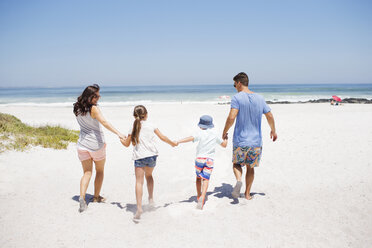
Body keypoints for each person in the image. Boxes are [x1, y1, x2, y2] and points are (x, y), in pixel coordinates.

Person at [222, 72, 277, 200]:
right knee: (250, 168)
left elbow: (231, 117)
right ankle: (247, 194)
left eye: (234, 84)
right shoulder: (260, 98)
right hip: (256, 142)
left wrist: (225, 131)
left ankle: (239, 180)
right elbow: (269, 115)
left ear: (239, 83)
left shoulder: (237, 98)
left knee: (236, 164)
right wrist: (273, 130)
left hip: (240, 141)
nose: (234, 87)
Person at [73, 84, 125, 213]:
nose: (99, 97)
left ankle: (82, 197)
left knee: (86, 173)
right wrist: (118, 133)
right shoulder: (94, 109)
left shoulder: (77, 107)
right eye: (96, 95)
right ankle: (96, 197)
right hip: (96, 145)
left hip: (82, 144)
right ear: (90, 96)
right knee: (100, 171)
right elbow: (105, 123)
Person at [120, 105, 177, 222]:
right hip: (152, 156)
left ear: (134, 116)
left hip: (139, 157)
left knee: (139, 182)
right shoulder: (151, 125)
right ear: (146, 115)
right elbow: (162, 137)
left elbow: (126, 144)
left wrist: (121, 139)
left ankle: (139, 208)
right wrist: (172, 143)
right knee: (149, 176)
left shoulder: (133, 127)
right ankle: (151, 199)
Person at [177, 115, 228, 209]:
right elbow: (224, 145)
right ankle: (203, 197)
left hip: (199, 159)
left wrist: (178, 141)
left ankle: (198, 195)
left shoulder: (199, 133)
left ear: (201, 125)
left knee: (198, 178)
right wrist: (226, 138)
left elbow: (190, 138)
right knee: (206, 179)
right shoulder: (215, 134)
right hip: (209, 160)